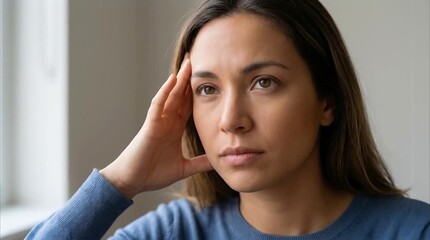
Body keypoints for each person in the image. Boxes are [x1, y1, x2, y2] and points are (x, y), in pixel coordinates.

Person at [26, 0, 429, 239]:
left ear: (327, 101)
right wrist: (120, 180)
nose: (231, 120)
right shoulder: (174, 233)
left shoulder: (413, 231)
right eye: (207, 89)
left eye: (263, 82)